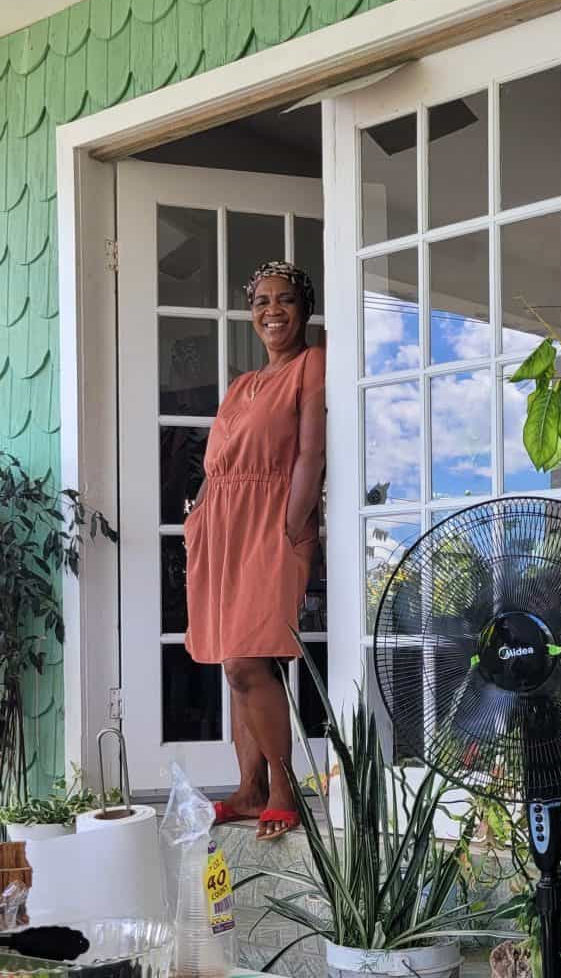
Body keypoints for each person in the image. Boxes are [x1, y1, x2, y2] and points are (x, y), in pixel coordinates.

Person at [184, 261, 326, 840]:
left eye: (286, 299)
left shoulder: (311, 365)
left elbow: (310, 455)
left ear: (304, 307)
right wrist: (198, 516)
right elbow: (220, 463)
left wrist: (291, 525)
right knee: (233, 661)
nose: (274, 310)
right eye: (263, 300)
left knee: (249, 660)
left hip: (271, 522)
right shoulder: (243, 384)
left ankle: (283, 786)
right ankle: (247, 787)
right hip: (222, 522)